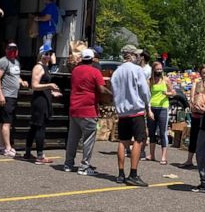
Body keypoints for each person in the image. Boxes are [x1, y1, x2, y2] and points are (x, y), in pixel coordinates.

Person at [110, 44, 151, 186]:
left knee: (123, 141)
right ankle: (133, 173)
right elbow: (145, 91)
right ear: (132, 55)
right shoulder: (137, 70)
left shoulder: (116, 72)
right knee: (138, 141)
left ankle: (120, 174)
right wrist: (148, 105)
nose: (138, 57)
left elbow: (114, 92)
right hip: (135, 110)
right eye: (137, 55)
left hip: (122, 112)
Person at [64, 48, 108, 175]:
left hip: (74, 107)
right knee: (88, 139)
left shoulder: (75, 71)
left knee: (73, 138)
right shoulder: (95, 72)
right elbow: (101, 89)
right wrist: (112, 95)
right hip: (88, 109)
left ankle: (68, 164)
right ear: (93, 58)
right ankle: (84, 167)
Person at [24, 45, 62, 164]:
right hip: (39, 101)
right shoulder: (38, 67)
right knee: (39, 127)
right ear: (41, 54)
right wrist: (49, 86)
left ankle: (27, 152)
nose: (48, 56)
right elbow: (34, 86)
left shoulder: (46, 67)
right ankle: (40, 156)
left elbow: (43, 84)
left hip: (44, 99)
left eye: (50, 54)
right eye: (46, 53)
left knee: (35, 127)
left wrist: (51, 92)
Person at [0, 42, 28, 158]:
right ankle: (7, 147)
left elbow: (16, 76)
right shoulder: (3, 61)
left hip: (13, 96)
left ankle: (1, 146)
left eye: (14, 49)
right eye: (10, 49)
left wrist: (22, 82)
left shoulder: (16, 62)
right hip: (6, 95)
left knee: (4, 122)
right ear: (6, 50)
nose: (12, 51)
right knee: (6, 122)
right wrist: (0, 95)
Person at [182, 65, 205, 169]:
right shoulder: (196, 83)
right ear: (200, 73)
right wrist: (194, 105)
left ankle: (204, 162)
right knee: (194, 137)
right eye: (203, 72)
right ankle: (189, 160)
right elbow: (192, 98)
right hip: (196, 114)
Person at [147, 61, 175, 165]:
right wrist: (148, 109)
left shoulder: (166, 80)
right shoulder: (150, 81)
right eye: (157, 69)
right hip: (153, 107)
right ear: (153, 70)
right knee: (152, 131)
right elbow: (147, 96)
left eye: (160, 69)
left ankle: (163, 156)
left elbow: (173, 92)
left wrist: (168, 93)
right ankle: (152, 154)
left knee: (163, 132)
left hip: (163, 107)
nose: (159, 71)